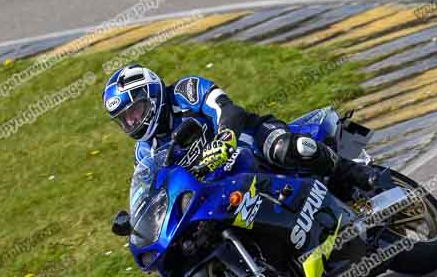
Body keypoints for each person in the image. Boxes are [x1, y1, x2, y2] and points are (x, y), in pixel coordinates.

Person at [102, 64, 378, 195]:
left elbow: (228, 109)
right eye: (124, 119)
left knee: (287, 149)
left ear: (152, 96)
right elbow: (153, 189)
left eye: (135, 111)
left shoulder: (184, 91)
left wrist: (224, 138)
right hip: (219, 183)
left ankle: (356, 173)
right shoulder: (144, 152)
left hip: (250, 138)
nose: (132, 122)